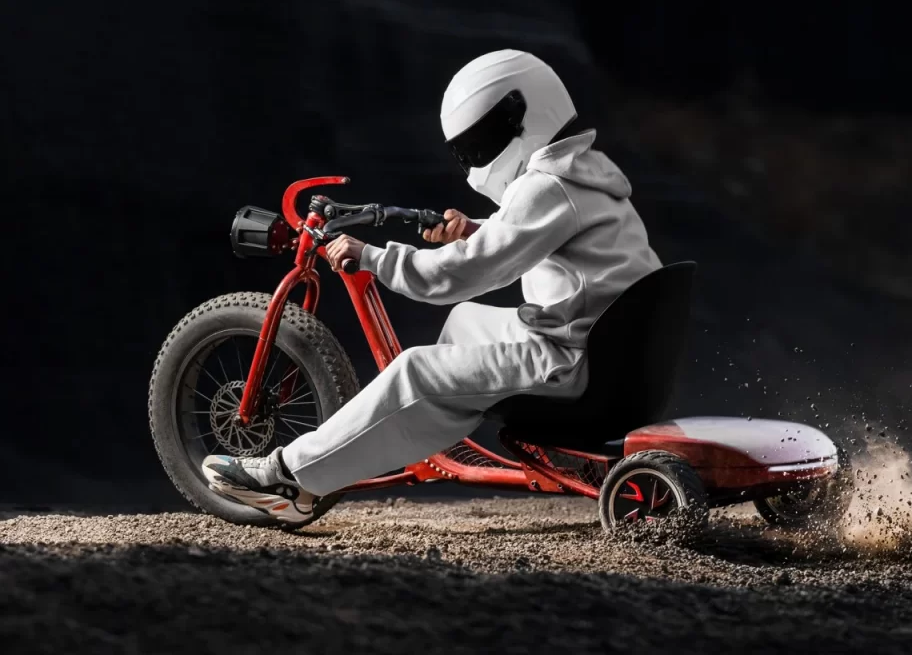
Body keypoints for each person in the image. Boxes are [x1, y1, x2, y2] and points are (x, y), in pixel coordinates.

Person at [202, 49, 662, 523]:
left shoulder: (548, 186)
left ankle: (290, 481)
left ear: (522, 115)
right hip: (606, 353)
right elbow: (531, 235)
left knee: (416, 370)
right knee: (467, 323)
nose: (477, 160)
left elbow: (458, 276)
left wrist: (373, 257)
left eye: (481, 144)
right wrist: (474, 230)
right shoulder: (580, 174)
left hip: (570, 366)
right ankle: (429, 427)